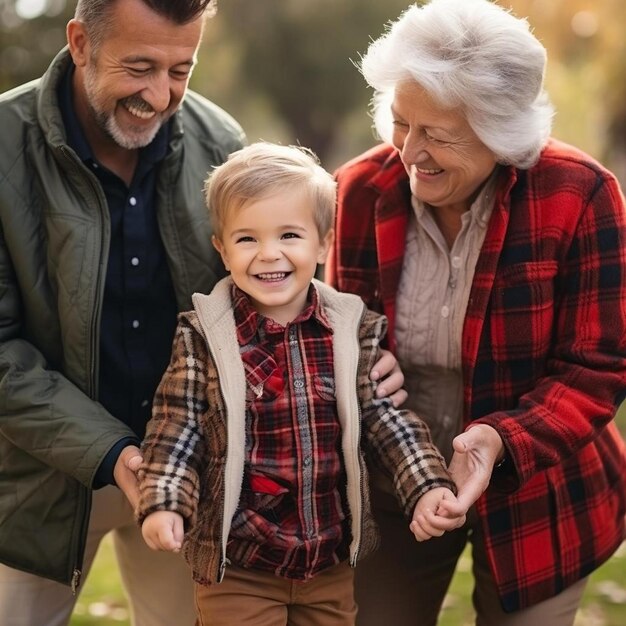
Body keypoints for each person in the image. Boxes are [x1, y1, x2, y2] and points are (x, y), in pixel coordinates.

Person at [0, 3, 404, 622]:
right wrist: (112, 453)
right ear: (80, 43)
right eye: (138, 67)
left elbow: (266, 296)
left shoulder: (219, 142)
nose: (160, 96)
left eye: (181, 70)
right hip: (41, 473)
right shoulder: (5, 145)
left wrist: (355, 359)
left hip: (190, 467)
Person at [325, 0, 626, 624]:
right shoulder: (359, 190)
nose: (411, 153)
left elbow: (596, 366)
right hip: (395, 476)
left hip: (539, 488)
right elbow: (338, 330)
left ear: (501, 134)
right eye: (402, 122)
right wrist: (358, 364)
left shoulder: (581, 195)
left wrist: (498, 439)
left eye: (440, 135)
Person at [136, 142, 465, 626]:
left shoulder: (352, 329)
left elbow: (387, 421)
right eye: (247, 239)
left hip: (327, 563)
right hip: (241, 565)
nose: (269, 254)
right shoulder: (205, 335)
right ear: (222, 249)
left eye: (289, 234)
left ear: (323, 243)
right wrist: (164, 502)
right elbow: (177, 429)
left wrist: (426, 485)